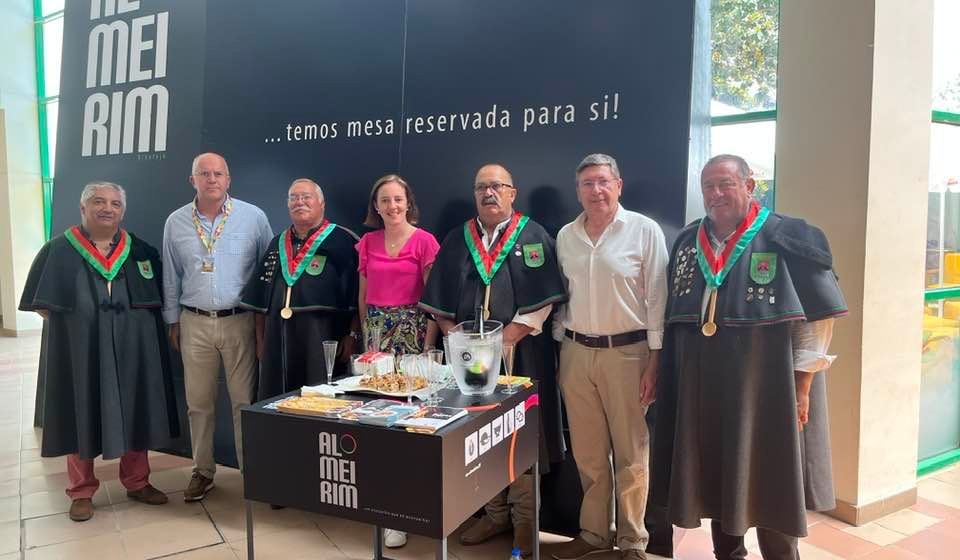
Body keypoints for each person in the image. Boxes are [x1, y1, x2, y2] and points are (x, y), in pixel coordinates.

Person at [653, 154, 847, 560]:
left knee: (770, 480)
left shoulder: (787, 237)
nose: (716, 194)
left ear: (749, 186)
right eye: (709, 186)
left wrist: (803, 385)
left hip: (767, 388)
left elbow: (814, 322)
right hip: (705, 391)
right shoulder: (690, 241)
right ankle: (730, 555)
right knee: (721, 481)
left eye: (725, 184)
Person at [421, 163, 567, 558]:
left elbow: (547, 299)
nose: (489, 193)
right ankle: (493, 512)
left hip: (521, 354)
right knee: (479, 435)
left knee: (520, 435)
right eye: (482, 187)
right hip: (470, 360)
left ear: (512, 192)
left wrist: (508, 337)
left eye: (497, 186)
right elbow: (438, 303)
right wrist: (459, 338)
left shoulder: (534, 235)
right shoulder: (457, 239)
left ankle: (524, 521)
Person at [20, 182, 179, 522]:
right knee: (81, 410)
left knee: (136, 410)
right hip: (82, 350)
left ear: (123, 210)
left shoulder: (141, 251)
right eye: (98, 202)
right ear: (83, 208)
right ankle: (81, 491)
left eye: (115, 203)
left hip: (134, 349)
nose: (107, 208)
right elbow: (44, 306)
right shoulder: (59, 250)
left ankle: (137, 482)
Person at [549, 154, 668, 560]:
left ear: (618, 184)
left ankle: (633, 541)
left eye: (603, 181)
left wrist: (656, 358)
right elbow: (562, 297)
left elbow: (657, 296)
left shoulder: (644, 230)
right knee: (587, 452)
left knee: (632, 452)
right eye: (587, 183)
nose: (595, 190)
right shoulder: (567, 235)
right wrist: (561, 344)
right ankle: (595, 533)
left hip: (628, 355)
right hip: (577, 353)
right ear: (577, 189)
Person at [162, 152, 272, 501]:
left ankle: (252, 474)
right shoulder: (176, 222)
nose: (212, 179)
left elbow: (268, 273)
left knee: (244, 402)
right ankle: (202, 470)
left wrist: (262, 326)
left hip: (239, 321)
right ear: (192, 180)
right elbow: (169, 276)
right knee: (199, 403)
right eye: (204, 174)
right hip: (194, 322)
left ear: (229, 179)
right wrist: (172, 320)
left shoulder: (253, 217)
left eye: (218, 174)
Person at [241, 178, 359, 399]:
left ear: (321, 203)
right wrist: (260, 341)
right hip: (278, 339)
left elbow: (358, 297)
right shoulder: (276, 243)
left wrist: (352, 335)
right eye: (294, 198)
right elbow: (259, 302)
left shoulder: (343, 241)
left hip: (322, 337)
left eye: (306, 197)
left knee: (320, 400)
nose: (299, 202)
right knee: (277, 401)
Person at [357, 174, 440, 358]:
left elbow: (434, 301)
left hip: (414, 332)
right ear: (376, 206)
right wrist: (366, 338)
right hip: (375, 332)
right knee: (375, 385)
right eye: (385, 200)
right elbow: (362, 296)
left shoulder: (425, 241)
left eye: (398, 199)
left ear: (408, 203)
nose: (392, 206)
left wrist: (429, 346)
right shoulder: (367, 242)